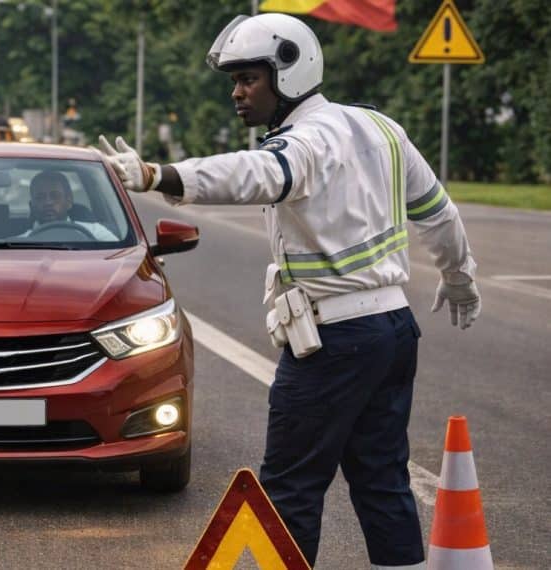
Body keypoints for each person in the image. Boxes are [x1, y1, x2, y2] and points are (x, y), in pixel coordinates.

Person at [97, 13, 480, 569]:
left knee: (289, 490)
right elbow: (438, 213)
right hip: (395, 332)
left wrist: (159, 176)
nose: (236, 93)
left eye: (248, 78)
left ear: (289, 73)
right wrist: (459, 278)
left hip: (336, 339)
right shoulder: (383, 129)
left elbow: (255, 173)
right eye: (234, 80)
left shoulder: (305, 144)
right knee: (382, 480)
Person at [18, 170, 117, 240]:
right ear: (31, 205)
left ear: (69, 202)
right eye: (40, 197)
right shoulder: (20, 242)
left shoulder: (95, 232)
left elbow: (118, 255)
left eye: (55, 196)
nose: (48, 202)